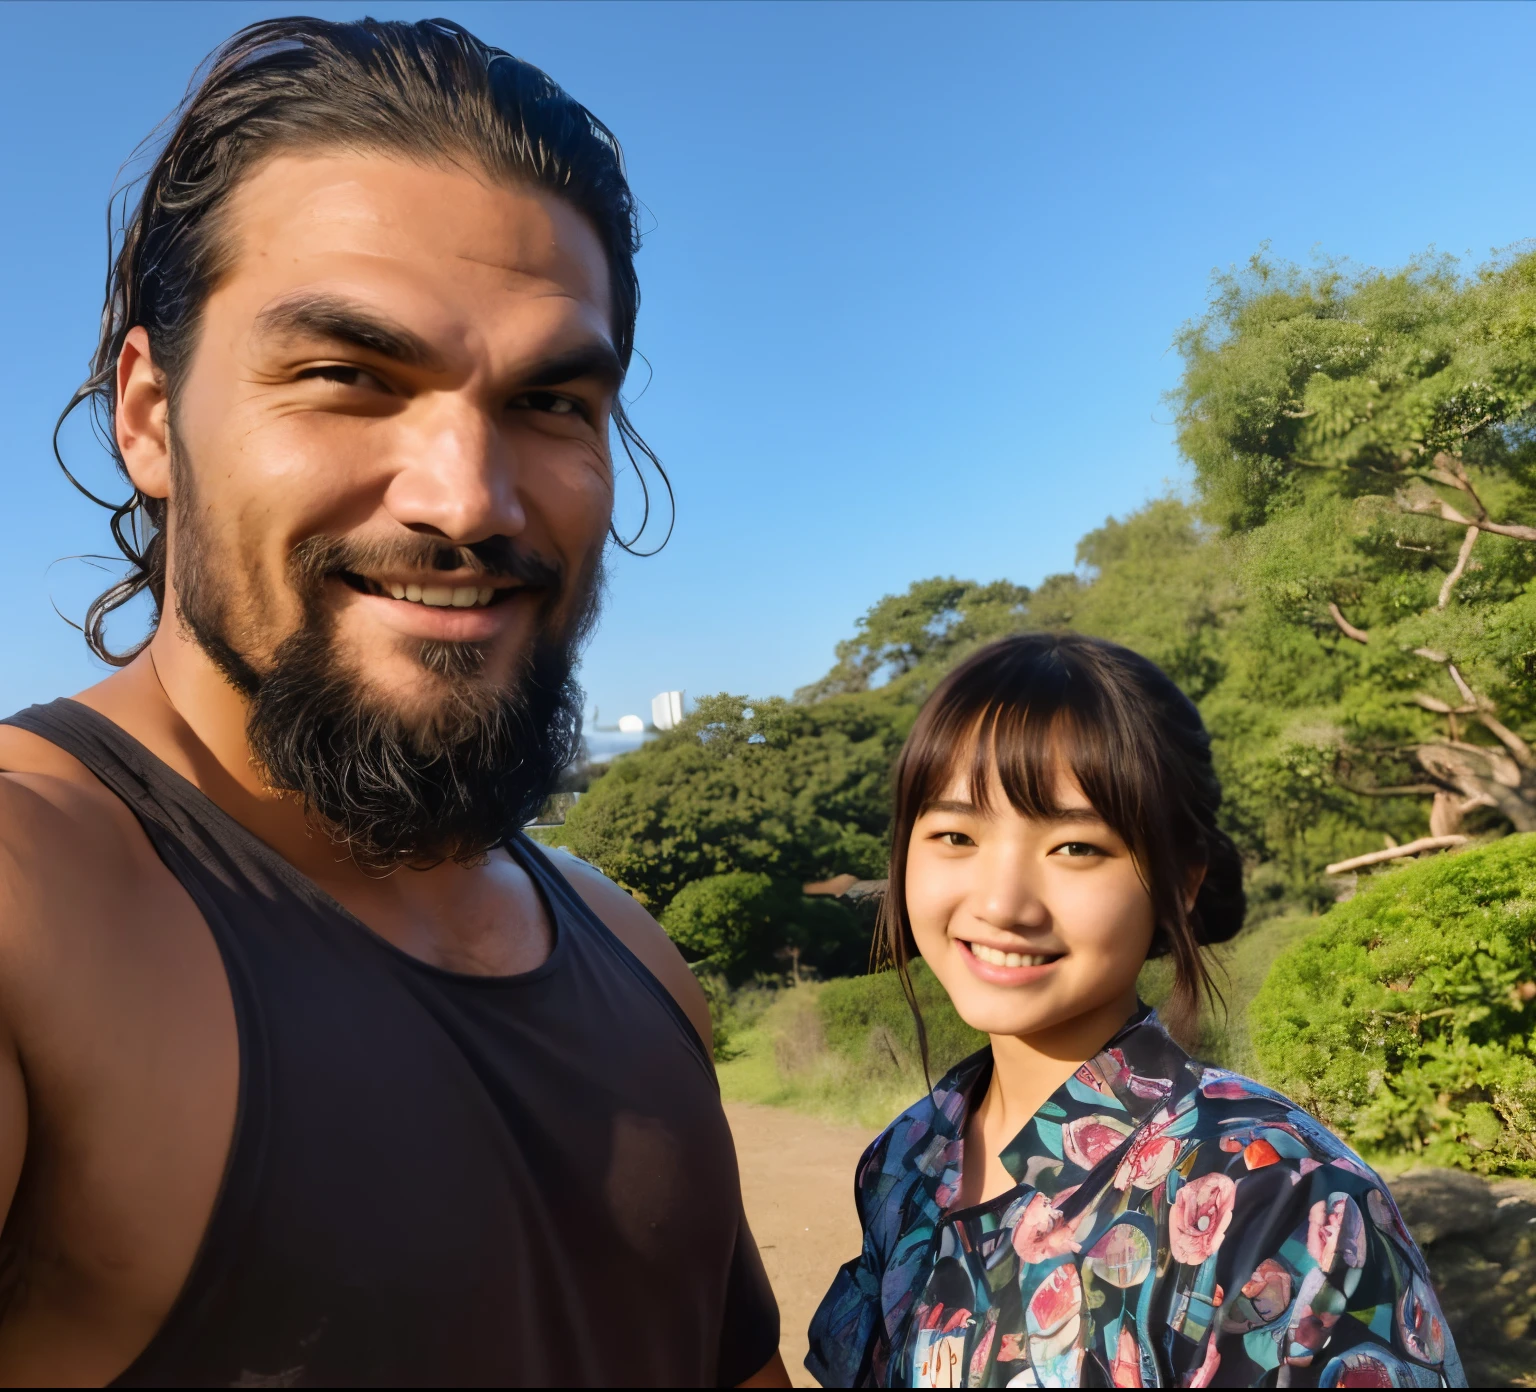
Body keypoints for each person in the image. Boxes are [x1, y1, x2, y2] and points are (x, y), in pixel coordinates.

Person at [0, 16, 786, 1387]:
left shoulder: (637, 962)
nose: (468, 500)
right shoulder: (30, 908)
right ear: (148, 414)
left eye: (551, 402)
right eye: (348, 377)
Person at [806, 633, 1463, 1388]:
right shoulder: (906, 1159)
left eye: (1077, 847)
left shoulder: (1279, 1197)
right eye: (955, 835)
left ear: (1180, 883)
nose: (1000, 903)